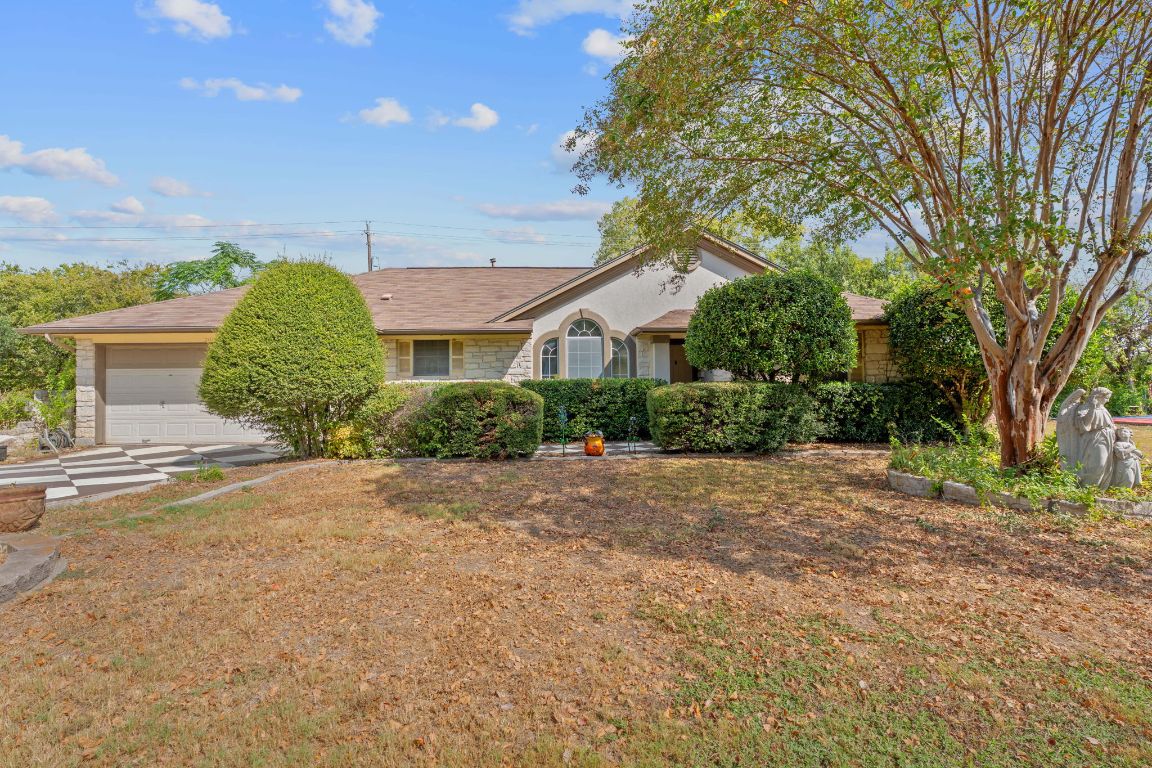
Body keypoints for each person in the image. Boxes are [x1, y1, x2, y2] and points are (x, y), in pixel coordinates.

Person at [1075, 387, 1116, 487]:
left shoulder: (1103, 409)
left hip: (1107, 438)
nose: (1108, 400)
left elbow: (1109, 423)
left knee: (1105, 465)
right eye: (1106, 398)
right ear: (1098, 397)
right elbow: (1084, 425)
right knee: (1098, 464)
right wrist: (1092, 408)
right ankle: (1087, 487)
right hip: (1095, 439)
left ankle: (1097, 487)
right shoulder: (1085, 408)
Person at [1055, 388, 1087, 471]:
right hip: (1070, 433)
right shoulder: (1068, 408)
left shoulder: (1080, 407)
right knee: (1070, 451)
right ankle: (1069, 470)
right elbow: (1063, 419)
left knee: (1076, 452)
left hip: (1077, 433)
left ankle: (1074, 470)